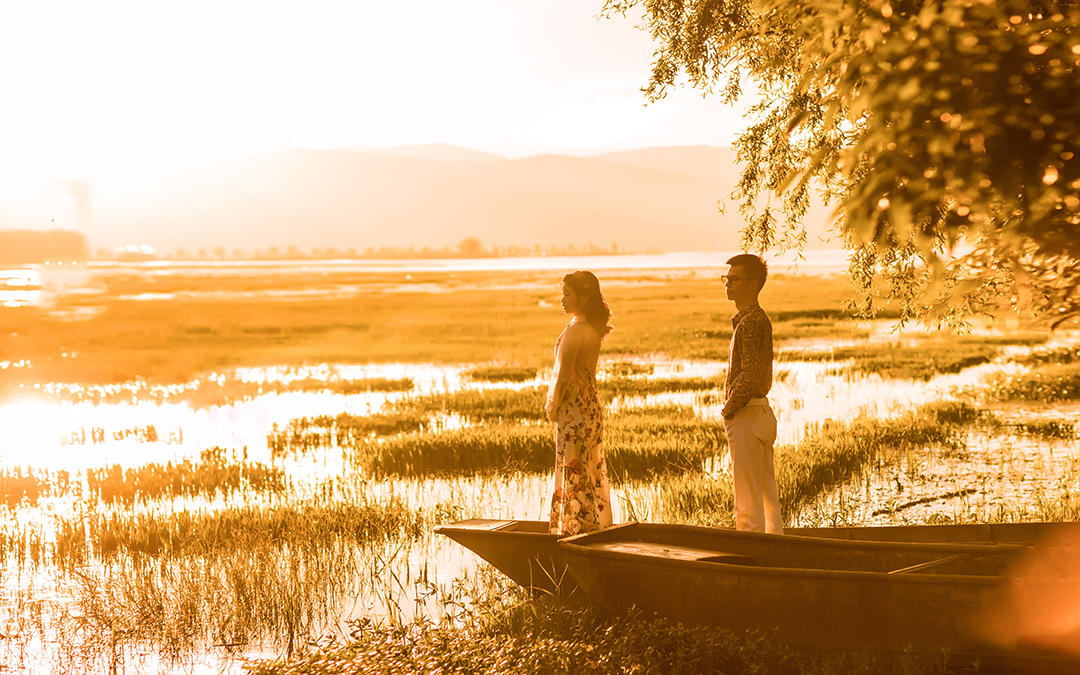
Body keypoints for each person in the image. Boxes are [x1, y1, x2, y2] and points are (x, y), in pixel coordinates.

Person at [545, 270, 613, 535]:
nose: (562, 299)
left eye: (568, 294)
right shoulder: (590, 329)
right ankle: (592, 524)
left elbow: (562, 377)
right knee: (589, 466)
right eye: (563, 293)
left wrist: (552, 405)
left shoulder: (575, 331)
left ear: (584, 298)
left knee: (573, 465)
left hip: (574, 409)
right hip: (590, 407)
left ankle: (575, 528)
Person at [722, 254, 783, 534]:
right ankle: (774, 551)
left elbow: (750, 375)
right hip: (758, 412)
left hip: (748, 413)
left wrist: (729, 408)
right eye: (727, 279)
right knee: (766, 498)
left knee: (748, 502)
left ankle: (753, 561)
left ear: (754, 283)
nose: (728, 284)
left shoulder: (751, 322)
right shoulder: (751, 320)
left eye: (735, 279)